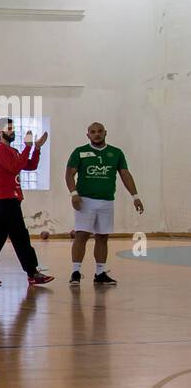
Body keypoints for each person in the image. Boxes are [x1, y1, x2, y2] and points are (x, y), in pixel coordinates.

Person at [0, 118, 53, 286]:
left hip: (11, 199)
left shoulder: (14, 150)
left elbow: (30, 165)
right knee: (20, 237)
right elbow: (14, 167)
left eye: (12, 128)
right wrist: (28, 147)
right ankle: (32, 273)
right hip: (5, 200)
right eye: (8, 129)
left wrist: (36, 149)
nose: (12, 131)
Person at [64, 122, 143, 285]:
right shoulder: (80, 152)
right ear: (88, 135)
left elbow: (125, 174)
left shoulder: (116, 153)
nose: (97, 134)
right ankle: (75, 272)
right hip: (85, 201)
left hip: (106, 201)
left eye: (100, 131)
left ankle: (100, 273)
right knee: (81, 235)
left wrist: (135, 196)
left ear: (105, 133)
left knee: (102, 237)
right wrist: (74, 194)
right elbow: (69, 174)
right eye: (93, 132)